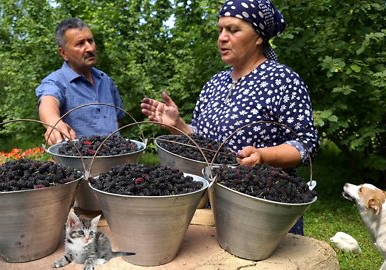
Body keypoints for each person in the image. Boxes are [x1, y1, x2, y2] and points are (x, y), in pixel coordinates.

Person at [141, 0, 318, 235]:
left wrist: (262, 155)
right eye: (221, 30)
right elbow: (204, 143)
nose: (222, 38)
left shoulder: (283, 81)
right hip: (213, 204)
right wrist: (179, 126)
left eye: (233, 30)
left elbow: (306, 145)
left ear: (258, 37)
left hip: (263, 204)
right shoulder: (215, 83)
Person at [36, 18, 124, 145]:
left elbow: (118, 118)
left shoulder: (105, 80)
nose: (89, 48)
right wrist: (54, 123)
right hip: (78, 162)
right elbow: (48, 102)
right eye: (80, 44)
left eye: (90, 41)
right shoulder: (56, 82)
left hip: (116, 160)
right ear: (63, 53)